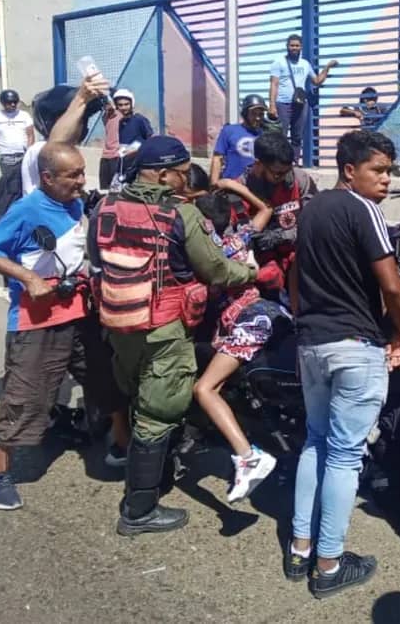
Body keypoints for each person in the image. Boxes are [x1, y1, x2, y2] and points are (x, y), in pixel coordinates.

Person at [91, 135, 259, 537]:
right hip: (164, 329)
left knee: (139, 397)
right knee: (159, 411)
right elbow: (216, 269)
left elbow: (97, 260)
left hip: (118, 324)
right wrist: (251, 272)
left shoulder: (104, 207)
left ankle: (154, 477)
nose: (186, 179)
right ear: (164, 175)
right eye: (182, 173)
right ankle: (139, 510)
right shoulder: (180, 215)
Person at [285, 129, 400, 599]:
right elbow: (393, 287)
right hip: (355, 345)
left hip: (313, 344)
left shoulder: (311, 209)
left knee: (315, 442)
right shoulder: (363, 210)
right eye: (378, 170)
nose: (386, 180)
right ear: (349, 170)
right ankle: (329, 564)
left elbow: (295, 274)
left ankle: (300, 548)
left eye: (389, 171)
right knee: (344, 455)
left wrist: (303, 320)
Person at [0, 142, 126, 509]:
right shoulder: (26, 210)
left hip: (81, 312)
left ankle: (123, 444)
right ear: (47, 178)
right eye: (73, 175)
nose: (82, 180)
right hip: (38, 321)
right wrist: (29, 278)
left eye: (82, 172)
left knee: (105, 379)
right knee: (24, 397)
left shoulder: (74, 202)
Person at [192, 178, 286, 503]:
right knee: (218, 384)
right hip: (268, 311)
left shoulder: (207, 254)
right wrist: (236, 187)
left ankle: (249, 457)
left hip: (247, 322)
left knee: (204, 389)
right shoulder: (238, 238)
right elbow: (265, 209)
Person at [240, 132, 317, 285]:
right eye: (277, 173)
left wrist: (283, 235)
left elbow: (315, 223)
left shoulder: (300, 180)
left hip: (296, 255)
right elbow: (235, 237)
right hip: (258, 262)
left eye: (287, 171)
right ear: (258, 164)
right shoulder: (240, 188)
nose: (284, 177)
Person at [268, 34, 338, 162]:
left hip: (300, 104)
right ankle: (279, 162)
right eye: (292, 45)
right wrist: (272, 105)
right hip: (283, 104)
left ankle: (294, 162)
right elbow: (274, 84)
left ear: (301, 47)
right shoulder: (278, 62)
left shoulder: (305, 64)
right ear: (287, 46)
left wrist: (327, 67)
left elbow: (316, 81)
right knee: (281, 135)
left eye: (297, 45)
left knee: (297, 136)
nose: (294, 48)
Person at [211, 94, 266, 183]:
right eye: (253, 114)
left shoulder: (265, 136)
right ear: (245, 113)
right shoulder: (229, 130)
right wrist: (214, 183)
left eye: (261, 114)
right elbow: (217, 158)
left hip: (255, 185)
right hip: (230, 183)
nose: (258, 118)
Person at [0, 90, 35, 179]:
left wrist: (29, 154)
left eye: (15, 102)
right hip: (6, 158)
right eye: (9, 102)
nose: (13, 104)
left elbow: (30, 135)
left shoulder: (24, 116)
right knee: (10, 184)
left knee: (23, 182)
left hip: (23, 157)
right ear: (3, 103)